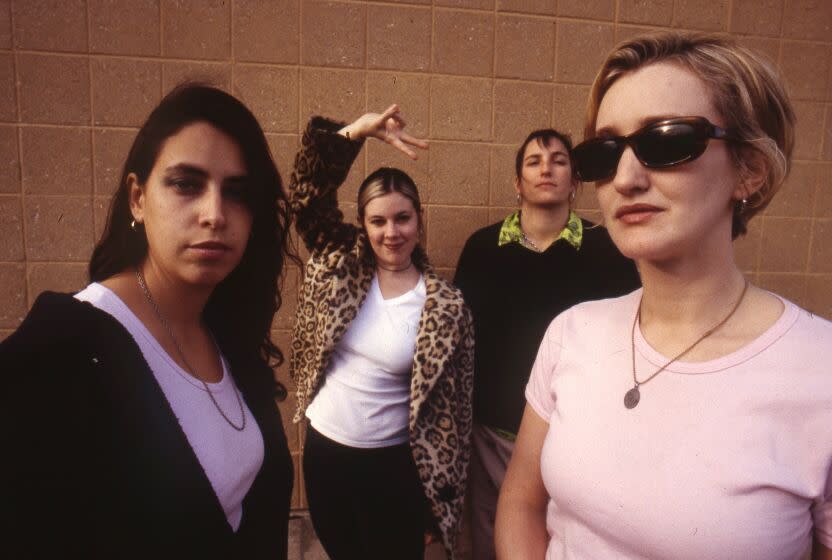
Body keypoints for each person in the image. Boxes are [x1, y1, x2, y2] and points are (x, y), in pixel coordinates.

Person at [495, 31, 832, 560]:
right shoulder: (572, 333)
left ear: (750, 169)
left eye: (668, 141)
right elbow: (520, 504)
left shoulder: (820, 372)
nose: (626, 178)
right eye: (603, 153)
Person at [1, 85, 295, 558]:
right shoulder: (62, 349)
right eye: (186, 184)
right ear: (137, 198)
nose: (215, 214)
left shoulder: (223, 330)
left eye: (237, 193)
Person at [288, 105, 474, 560]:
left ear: (420, 217)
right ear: (363, 224)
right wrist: (353, 134)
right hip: (327, 454)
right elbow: (307, 197)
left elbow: (456, 415)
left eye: (402, 218)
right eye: (378, 221)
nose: (392, 232)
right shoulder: (339, 264)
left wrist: (439, 505)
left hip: (395, 468)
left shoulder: (447, 308)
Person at [454, 128, 639, 558]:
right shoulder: (483, 248)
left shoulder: (608, 251)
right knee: (488, 541)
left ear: (575, 181)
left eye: (558, 161)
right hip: (492, 434)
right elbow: (461, 341)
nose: (546, 169)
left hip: (573, 437)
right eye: (534, 161)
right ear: (517, 182)